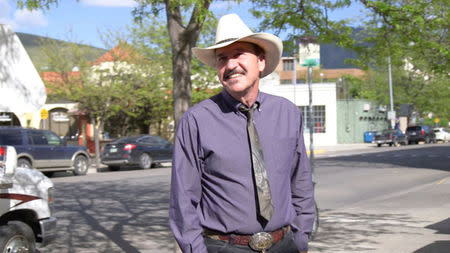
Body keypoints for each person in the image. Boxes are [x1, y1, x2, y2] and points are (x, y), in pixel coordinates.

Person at [169, 13, 315, 253]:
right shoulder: (196, 121)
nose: (230, 65)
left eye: (238, 54)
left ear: (260, 61)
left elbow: (301, 182)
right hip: (225, 247)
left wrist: (300, 239)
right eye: (222, 58)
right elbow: (183, 201)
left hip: (285, 245)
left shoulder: (287, 114)